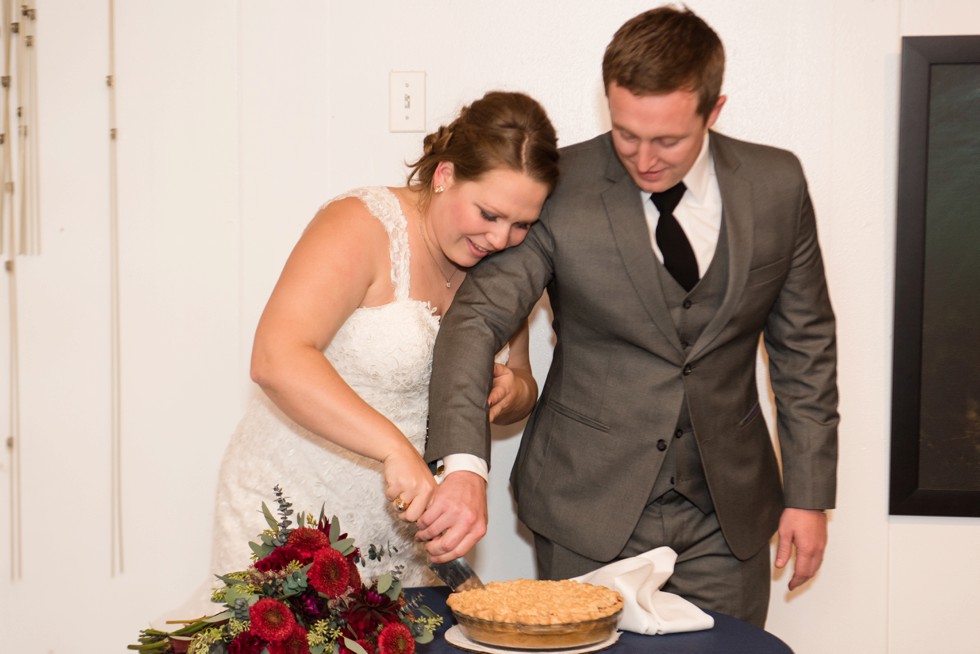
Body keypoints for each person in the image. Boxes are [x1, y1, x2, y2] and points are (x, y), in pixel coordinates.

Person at [419, 6, 838, 627]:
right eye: (625, 133)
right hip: (585, 505)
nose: (643, 159)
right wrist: (463, 467)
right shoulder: (558, 185)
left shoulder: (778, 183)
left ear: (713, 110)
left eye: (667, 139)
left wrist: (808, 496)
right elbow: (475, 320)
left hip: (730, 513)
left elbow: (805, 348)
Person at [209, 90, 559, 588]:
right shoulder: (362, 225)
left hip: (402, 531)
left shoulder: (500, 264)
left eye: (521, 224)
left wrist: (512, 391)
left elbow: (522, 377)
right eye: (488, 214)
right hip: (293, 507)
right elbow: (275, 358)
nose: (501, 239)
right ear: (445, 177)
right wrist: (394, 448)